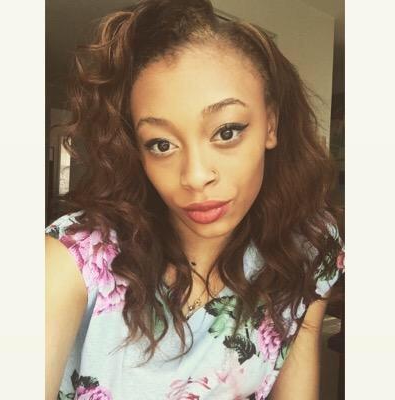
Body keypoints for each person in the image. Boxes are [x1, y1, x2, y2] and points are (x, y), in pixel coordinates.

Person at [45, 0, 345, 399]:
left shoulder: (309, 246)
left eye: (226, 132)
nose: (195, 176)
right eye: (161, 144)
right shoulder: (74, 261)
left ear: (271, 124)